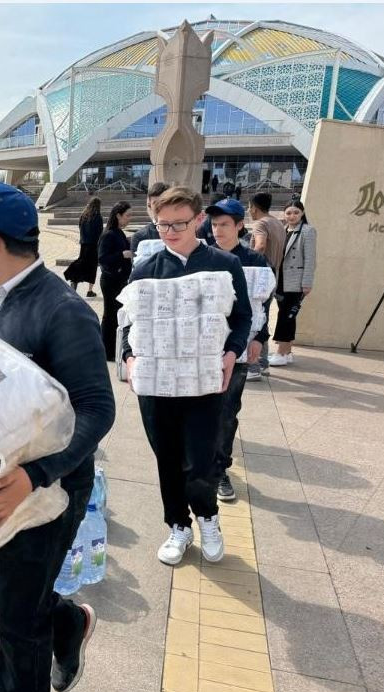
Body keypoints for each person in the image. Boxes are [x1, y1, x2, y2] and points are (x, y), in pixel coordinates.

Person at [0, 182, 116, 692]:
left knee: (20, 622)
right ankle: (66, 622)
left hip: (49, 488)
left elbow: (97, 409)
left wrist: (35, 475)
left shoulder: (62, 311)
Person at [121, 186, 251, 566]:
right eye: (162, 224)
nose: (170, 232)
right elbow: (129, 323)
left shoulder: (224, 265)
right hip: (157, 386)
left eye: (179, 223)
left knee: (200, 457)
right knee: (167, 458)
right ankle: (178, 524)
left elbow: (242, 316)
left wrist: (232, 351)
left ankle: (208, 518)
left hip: (203, 383)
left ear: (198, 219)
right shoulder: (145, 269)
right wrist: (129, 358)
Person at [205, 198, 270, 502]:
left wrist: (260, 339)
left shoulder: (255, 261)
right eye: (214, 224)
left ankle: (219, 470)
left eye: (224, 224)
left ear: (240, 226)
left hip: (238, 348)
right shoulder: (202, 256)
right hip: (203, 348)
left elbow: (264, 304)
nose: (217, 230)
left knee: (227, 413)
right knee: (198, 411)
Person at [268, 200, 316, 366]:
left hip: (296, 280)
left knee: (286, 316)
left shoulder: (308, 231)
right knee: (288, 315)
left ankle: (280, 353)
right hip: (281, 279)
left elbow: (310, 259)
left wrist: (307, 283)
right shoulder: (283, 230)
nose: (292, 216)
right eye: (288, 213)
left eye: (296, 212)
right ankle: (287, 352)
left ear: (302, 213)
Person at [247, 193, 286, 378]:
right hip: (273, 274)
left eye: (249, 207)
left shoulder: (260, 224)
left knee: (254, 318)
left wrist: (248, 263)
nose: (249, 211)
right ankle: (262, 363)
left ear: (254, 208)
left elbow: (260, 246)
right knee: (262, 317)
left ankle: (253, 366)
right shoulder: (277, 223)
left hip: (260, 274)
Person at [97, 201, 133, 357]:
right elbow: (102, 259)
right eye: (127, 216)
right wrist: (121, 255)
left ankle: (111, 348)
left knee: (116, 315)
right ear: (118, 215)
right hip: (111, 281)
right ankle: (106, 350)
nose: (129, 219)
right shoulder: (108, 234)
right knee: (110, 315)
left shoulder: (119, 232)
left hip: (119, 280)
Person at [63, 196, 103, 297]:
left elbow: (80, 227)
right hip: (93, 245)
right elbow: (99, 232)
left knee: (82, 262)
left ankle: (74, 280)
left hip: (84, 244)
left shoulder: (84, 215)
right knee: (92, 267)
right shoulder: (98, 216)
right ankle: (89, 291)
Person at [129, 181, 170, 254]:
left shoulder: (185, 232)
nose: (160, 206)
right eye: (155, 203)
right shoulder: (140, 237)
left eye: (164, 202)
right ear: (149, 205)